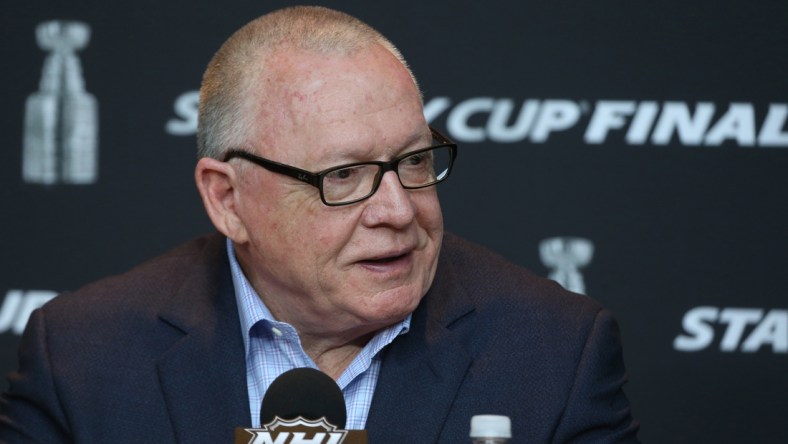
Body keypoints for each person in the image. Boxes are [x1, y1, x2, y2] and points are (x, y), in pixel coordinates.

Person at [0, 6, 639, 443]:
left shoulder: (554, 355)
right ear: (227, 198)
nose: (397, 210)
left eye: (414, 161)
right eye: (344, 176)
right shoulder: (83, 360)